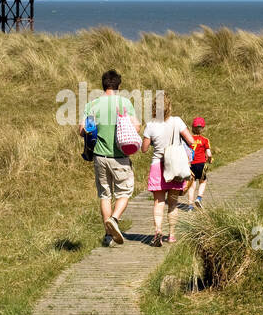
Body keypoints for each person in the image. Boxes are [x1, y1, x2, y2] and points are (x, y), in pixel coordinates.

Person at [80, 70, 141, 246]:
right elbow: (136, 127)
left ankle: (108, 237)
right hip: (120, 156)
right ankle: (114, 219)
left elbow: (82, 131)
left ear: (103, 85)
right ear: (118, 86)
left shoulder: (92, 105)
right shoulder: (124, 103)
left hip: (99, 155)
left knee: (104, 194)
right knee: (125, 191)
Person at [142, 91, 195, 246]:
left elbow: (144, 149)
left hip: (157, 166)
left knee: (158, 202)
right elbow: (191, 141)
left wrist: (152, 141)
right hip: (175, 167)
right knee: (173, 203)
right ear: (169, 107)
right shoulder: (177, 121)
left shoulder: (151, 125)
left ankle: (158, 231)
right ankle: (171, 235)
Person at [187, 117, 213, 209]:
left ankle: (190, 206)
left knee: (191, 185)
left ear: (192, 128)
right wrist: (209, 160)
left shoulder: (188, 139)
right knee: (203, 181)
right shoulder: (205, 140)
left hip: (190, 164)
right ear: (203, 128)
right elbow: (209, 154)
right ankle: (198, 198)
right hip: (201, 164)